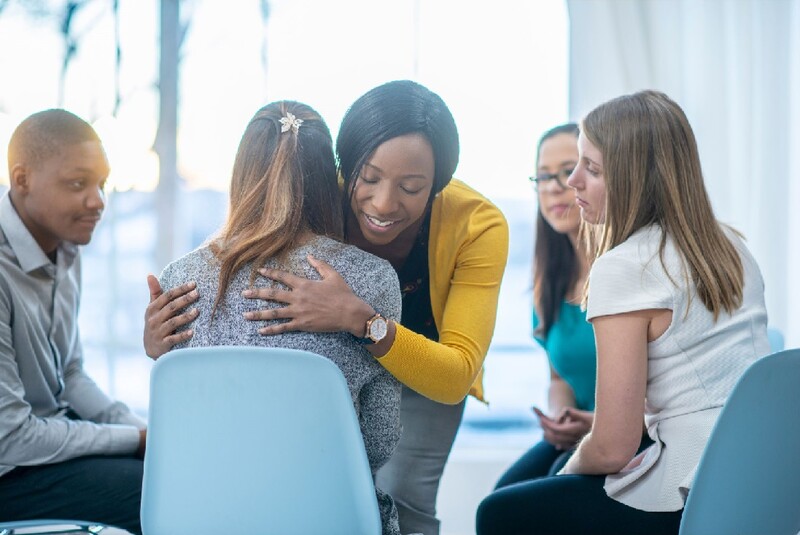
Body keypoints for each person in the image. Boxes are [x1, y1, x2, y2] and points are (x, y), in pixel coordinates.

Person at [144, 80, 509, 535]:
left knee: (407, 496)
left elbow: (456, 375)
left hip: (429, 366)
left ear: (438, 184)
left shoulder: (477, 224)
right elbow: (371, 445)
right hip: (352, 375)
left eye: (411, 187)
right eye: (368, 178)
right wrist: (161, 345)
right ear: (342, 165)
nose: (382, 203)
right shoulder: (312, 190)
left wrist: (360, 319)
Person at [476, 90, 770, 535]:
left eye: (589, 169)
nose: (572, 182)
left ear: (636, 178)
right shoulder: (732, 247)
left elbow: (613, 446)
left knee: (498, 513)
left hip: (690, 491)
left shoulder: (623, 266)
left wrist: (564, 473)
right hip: (760, 477)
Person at [153, 100, 404, 535]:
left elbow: (181, 419)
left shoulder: (180, 277)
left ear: (241, 172)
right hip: (326, 516)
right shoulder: (371, 279)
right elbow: (379, 441)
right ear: (329, 177)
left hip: (202, 517)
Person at [0, 109, 145, 534]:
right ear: (22, 179)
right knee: (158, 490)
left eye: (101, 183)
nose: (98, 201)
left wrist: (138, 429)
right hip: (9, 467)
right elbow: (12, 438)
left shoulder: (66, 246)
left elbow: (71, 374)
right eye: (78, 184)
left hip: (46, 442)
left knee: (175, 464)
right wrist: (134, 441)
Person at [494, 123, 596, 489]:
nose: (554, 185)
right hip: (578, 434)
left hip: (630, 435)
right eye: (542, 177)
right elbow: (558, 379)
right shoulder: (550, 282)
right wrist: (560, 417)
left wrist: (595, 422)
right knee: (500, 497)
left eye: (568, 171)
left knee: (524, 508)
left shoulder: (624, 275)